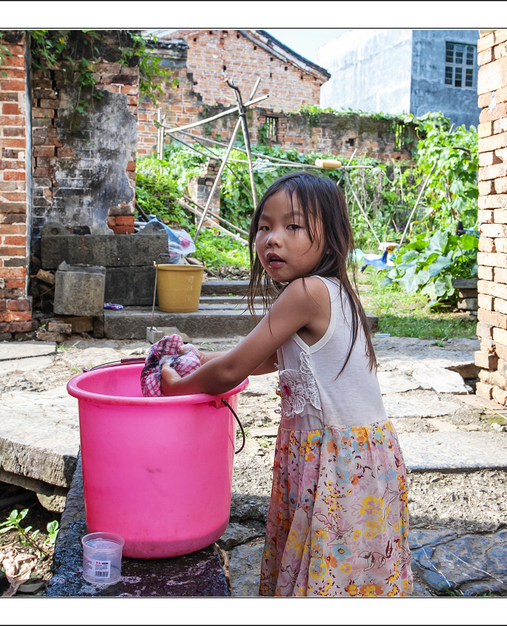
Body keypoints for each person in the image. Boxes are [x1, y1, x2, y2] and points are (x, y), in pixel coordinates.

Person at [161, 171, 413, 596]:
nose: (272, 238)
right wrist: (203, 358)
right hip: (355, 459)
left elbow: (231, 373)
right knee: (345, 575)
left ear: (330, 238)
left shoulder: (306, 292)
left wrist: (174, 387)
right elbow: (269, 360)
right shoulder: (333, 291)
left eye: (292, 226)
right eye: (264, 227)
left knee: (326, 574)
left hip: (336, 463)